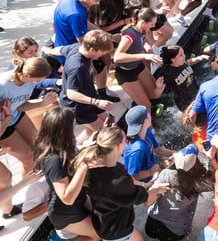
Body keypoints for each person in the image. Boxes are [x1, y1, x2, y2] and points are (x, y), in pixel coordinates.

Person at [72, 126, 170, 241]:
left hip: (104, 224)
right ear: (118, 146)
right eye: (125, 141)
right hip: (118, 231)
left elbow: (130, 184)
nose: (127, 142)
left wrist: (148, 183)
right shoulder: (118, 181)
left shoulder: (94, 168)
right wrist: (158, 189)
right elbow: (145, 198)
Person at [32, 107, 98, 241]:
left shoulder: (63, 145)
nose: (75, 125)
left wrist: (88, 146)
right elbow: (67, 199)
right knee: (96, 236)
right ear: (65, 129)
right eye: (73, 123)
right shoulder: (53, 160)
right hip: (65, 212)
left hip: (79, 200)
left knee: (102, 227)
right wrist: (83, 166)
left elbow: (71, 162)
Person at [48, 30, 115, 142]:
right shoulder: (77, 67)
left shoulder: (77, 47)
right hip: (76, 105)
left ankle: (75, 144)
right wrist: (97, 102)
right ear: (92, 50)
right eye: (102, 52)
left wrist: (48, 51)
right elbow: (71, 93)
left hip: (89, 94)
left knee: (107, 122)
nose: (104, 54)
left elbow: (60, 50)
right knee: (104, 131)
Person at [0, 57, 58, 177]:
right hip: (3, 126)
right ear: (26, 74)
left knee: (41, 148)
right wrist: (7, 119)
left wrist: (42, 103)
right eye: (37, 80)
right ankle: (26, 187)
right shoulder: (3, 85)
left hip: (17, 116)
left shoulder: (29, 83)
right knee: (29, 159)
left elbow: (21, 106)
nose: (38, 82)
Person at [145, 144, 209, 241]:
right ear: (197, 163)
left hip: (152, 225)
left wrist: (156, 185)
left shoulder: (165, 173)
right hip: (173, 233)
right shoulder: (199, 183)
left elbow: (147, 202)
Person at [113, 8, 165, 112]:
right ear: (143, 22)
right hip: (126, 73)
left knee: (155, 94)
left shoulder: (143, 30)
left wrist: (149, 51)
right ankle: (149, 128)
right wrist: (144, 56)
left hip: (138, 66)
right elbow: (117, 57)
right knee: (146, 106)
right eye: (152, 24)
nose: (153, 26)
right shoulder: (129, 35)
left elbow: (142, 41)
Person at [124, 105, 175, 182]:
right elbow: (133, 176)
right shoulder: (138, 149)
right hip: (147, 183)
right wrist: (152, 172)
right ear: (145, 121)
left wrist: (174, 154)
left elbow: (157, 149)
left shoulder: (146, 131)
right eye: (148, 114)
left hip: (154, 170)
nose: (150, 114)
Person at [156, 45, 208, 111]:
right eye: (181, 55)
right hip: (186, 104)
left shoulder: (182, 62)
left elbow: (188, 62)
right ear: (173, 59)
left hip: (196, 95)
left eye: (183, 53)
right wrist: (158, 87)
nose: (184, 56)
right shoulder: (167, 73)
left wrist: (198, 58)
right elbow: (156, 95)